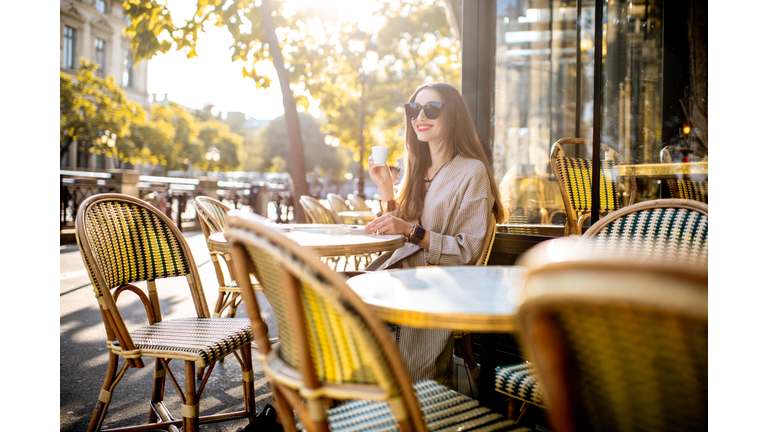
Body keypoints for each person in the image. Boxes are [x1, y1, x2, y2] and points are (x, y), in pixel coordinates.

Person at [362, 82, 507, 384]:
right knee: (318, 297)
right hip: (396, 273)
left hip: (437, 283)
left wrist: (412, 232)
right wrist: (386, 189)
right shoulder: (416, 168)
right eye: (414, 109)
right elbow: (396, 230)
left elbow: (468, 251)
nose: (420, 116)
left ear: (452, 116)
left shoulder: (472, 172)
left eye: (432, 108)